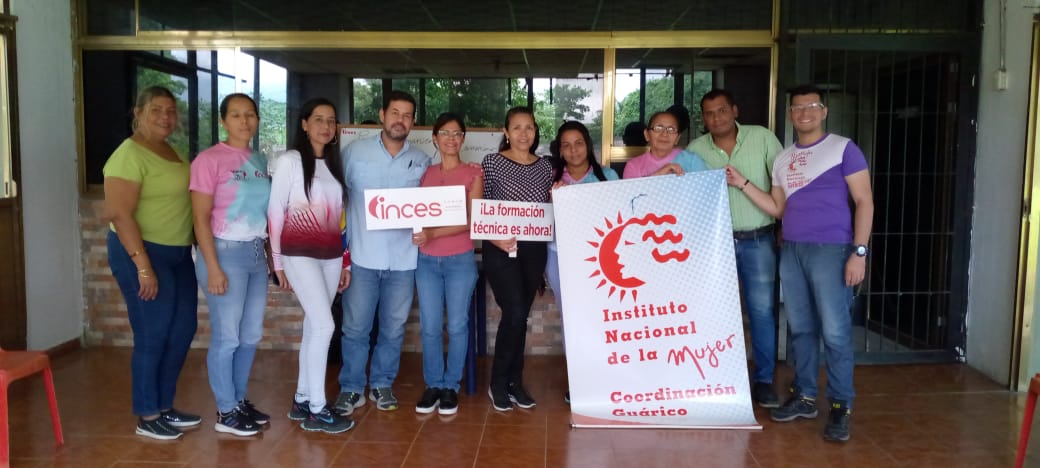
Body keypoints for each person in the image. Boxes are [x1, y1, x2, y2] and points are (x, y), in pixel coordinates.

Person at [725, 84, 873, 442]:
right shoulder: (783, 159)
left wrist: (859, 251)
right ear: (790, 114)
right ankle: (805, 396)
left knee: (836, 333)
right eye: (797, 108)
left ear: (823, 112)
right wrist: (743, 183)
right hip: (791, 249)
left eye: (811, 107)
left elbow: (865, 201)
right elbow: (778, 208)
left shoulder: (843, 150)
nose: (804, 113)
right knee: (802, 330)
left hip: (832, 250)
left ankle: (840, 407)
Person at [103, 86, 201, 440]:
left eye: (171, 110)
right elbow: (118, 213)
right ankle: (147, 414)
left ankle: (164, 406)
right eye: (157, 109)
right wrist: (143, 266)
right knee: (153, 332)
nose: (165, 117)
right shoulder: (127, 155)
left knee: (182, 328)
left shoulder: (169, 151)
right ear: (138, 112)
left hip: (177, 254)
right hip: (142, 253)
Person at [687, 89, 784, 408]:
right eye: (709, 113)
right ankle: (717, 377)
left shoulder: (763, 138)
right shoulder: (695, 150)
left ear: (735, 110)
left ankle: (764, 380)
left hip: (759, 240)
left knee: (760, 313)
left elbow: (782, 190)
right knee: (713, 314)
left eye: (722, 110)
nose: (716, 118)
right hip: (715, 245)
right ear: (703, 118)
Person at [335, 90, 430, 414]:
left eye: (406, 115)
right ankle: (350, 387)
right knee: (355, 327)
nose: (400, 120)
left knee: (393, 328)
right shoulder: (354, 154)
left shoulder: (422, 160)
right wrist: (341, 257)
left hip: (404, 262)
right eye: (395, 113)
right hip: (362, 258)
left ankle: (381, 384)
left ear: (412, 122)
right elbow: (339, 205)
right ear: (382, 114)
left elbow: (430, 208)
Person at [268, 97, 354, 434]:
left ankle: (303, 398)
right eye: (318, 119)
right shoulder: (290, 161)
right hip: (299, 253)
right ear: (304, 124)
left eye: (331, 121)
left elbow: (341, 218)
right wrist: (277, 263)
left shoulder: (333, 163)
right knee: (324, 326)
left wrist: (346, 262)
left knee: (312, 327)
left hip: (331, 256)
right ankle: (318, 409)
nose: (325, 126)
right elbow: (275, 212)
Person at [190, 93, 272, 436]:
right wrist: (213, 266)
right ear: (223, 121)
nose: (244, 121)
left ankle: (238, 401)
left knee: (250, 335)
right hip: (223, 253)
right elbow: (199, 218)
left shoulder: (260, 159)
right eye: (236, 115)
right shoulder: (209, 160)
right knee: (227, 338)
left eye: (250, 114)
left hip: (255, 254)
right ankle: (225, 410)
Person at [482, 106, 554, 412]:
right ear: (506, 131)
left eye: (529, 127)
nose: (524, 133)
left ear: (535, 131)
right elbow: (481, 206)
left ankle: (515, 382)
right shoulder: (492, 163)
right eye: (517, 127)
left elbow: (550, 206)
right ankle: (498, 383)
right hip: (500, 246)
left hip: (533, 249)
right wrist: (494, 236)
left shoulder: (546, 167)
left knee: (520, 315)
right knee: (512, 311)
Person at [411, 113, 483, 416]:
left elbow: (472, 219)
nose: (451, 139)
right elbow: (413, 212)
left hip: (460, 260)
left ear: (463, 139)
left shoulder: (473, 173)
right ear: (435, 139)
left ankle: (451, 386)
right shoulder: (424, 175)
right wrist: (418, 231)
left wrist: (431, 233)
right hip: (426, 260)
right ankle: (433, 385)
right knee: (428, 326)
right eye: (445, 133)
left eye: (457, 134)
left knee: (456, 325)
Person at [545, 120, 618, 404]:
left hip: (599, 261)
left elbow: (618, 216)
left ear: (587, 145)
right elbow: (540, 220)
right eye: (566, 145)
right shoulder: (550, 178)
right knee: (572, 321)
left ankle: (604, 379)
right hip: (560, 257)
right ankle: (579, 382)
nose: (573, 150)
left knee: (600, 318)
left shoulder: (607, 176)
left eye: (578, 143)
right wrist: (553, 199)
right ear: (559, 150)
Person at [622, 110, 708, 178]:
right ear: (647, 134)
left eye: (671, 129)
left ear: (677, 138)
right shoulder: (633, 166)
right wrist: (660, 173)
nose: (665, 134)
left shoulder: (692, 161)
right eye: (658, 128)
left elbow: (707, 191)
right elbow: (631, 197)